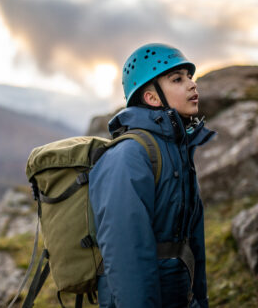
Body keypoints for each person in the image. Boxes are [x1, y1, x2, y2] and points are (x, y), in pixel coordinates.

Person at [89, 43, 215, 308]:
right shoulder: (128, 156)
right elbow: (126, 256)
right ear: (152, 98)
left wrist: (199, 301)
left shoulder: (179, 152)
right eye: (177, 79)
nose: (192, 85)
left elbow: (192, 245)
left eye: (189, 77)